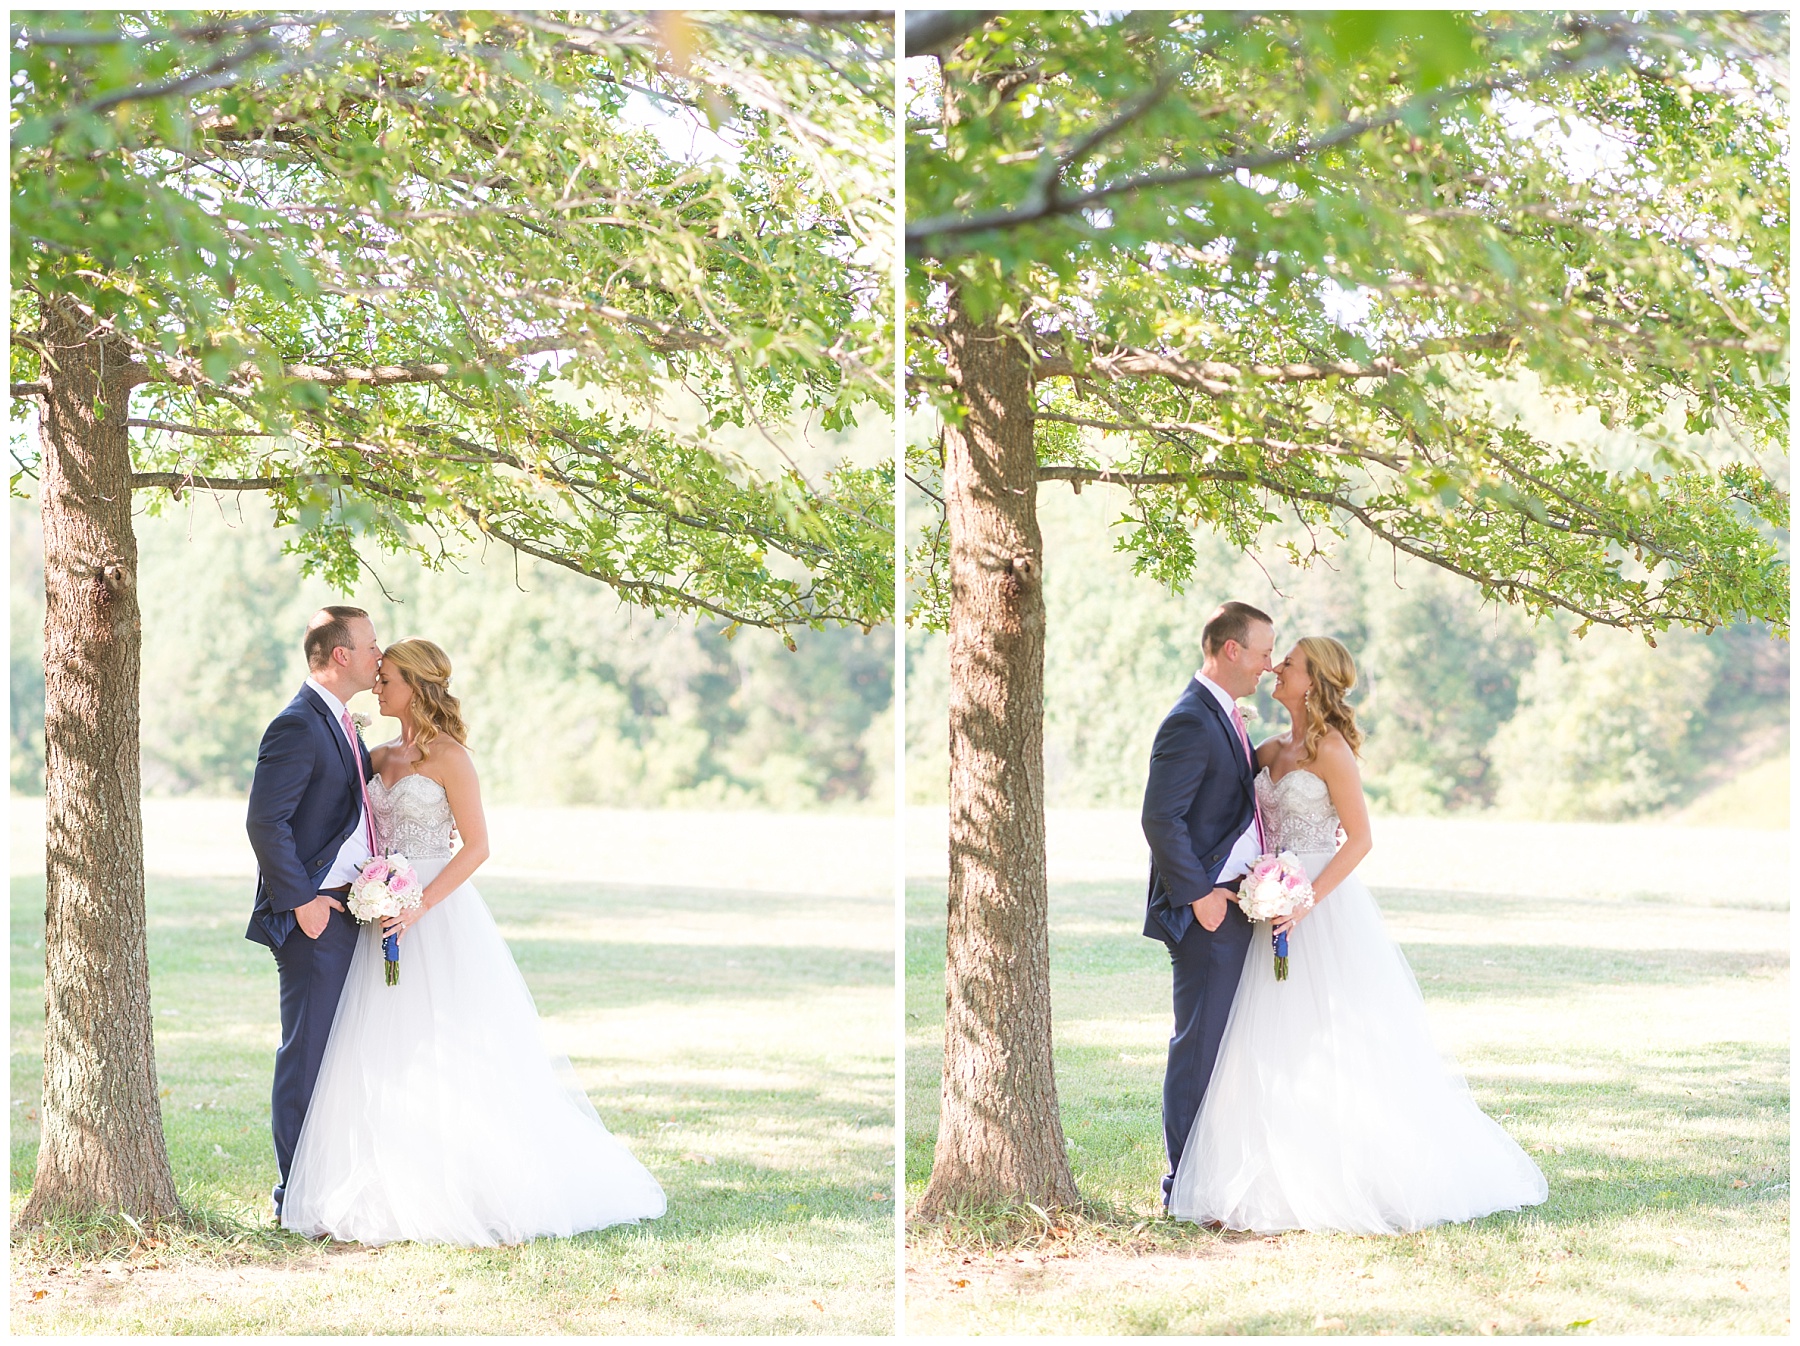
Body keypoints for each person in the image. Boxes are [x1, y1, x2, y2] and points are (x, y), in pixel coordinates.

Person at [279, 638, 666, 1245]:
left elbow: (478, 845)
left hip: (438, 909)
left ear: (418, 686)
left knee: (455, 1042)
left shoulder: (451, 757)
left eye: (388, 680)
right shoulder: (376, 757)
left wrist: (420, 905)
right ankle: (386, 1182)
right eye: (376, 678)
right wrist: (373, 891)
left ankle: (473, 1181)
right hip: (380, 910)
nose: (378, 689)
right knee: (379, 1051)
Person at [1167, 636, 1547, 1232]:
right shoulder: (1270, 749)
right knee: (1272, 1040)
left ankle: (1355, 1171)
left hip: (1320, 903)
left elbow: (1361, 839)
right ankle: (1274, 1169)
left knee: (1338, 1037)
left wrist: (1305, 900)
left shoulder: (1330, 750)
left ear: (1311, 680)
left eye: (1287, 663)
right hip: (1271, 902)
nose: (1276, 667)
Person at [246, 606, 382, 1224]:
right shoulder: (298, 724)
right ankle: (292, 1200)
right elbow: (264, 821)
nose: (380, 655)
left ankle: (335, 1188)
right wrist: (302, 904)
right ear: (341, 655)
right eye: (372, 644)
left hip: (356, 911)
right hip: (315, 919)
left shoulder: (344, 725)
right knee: (306, 1057)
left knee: (345, 1056)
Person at [1140, 600, 1277, 1211]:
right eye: (1264, 652)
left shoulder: (1228, 715)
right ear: (1231, 650)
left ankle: (1214, 1178)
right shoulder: (1191, 720)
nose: (1269, 666)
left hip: (1238, 904)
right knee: (1198, 1048)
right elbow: (1159, 818)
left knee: (1228, 1049)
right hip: (1207, 914)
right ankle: (1182, 1189)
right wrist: (1201, 898)